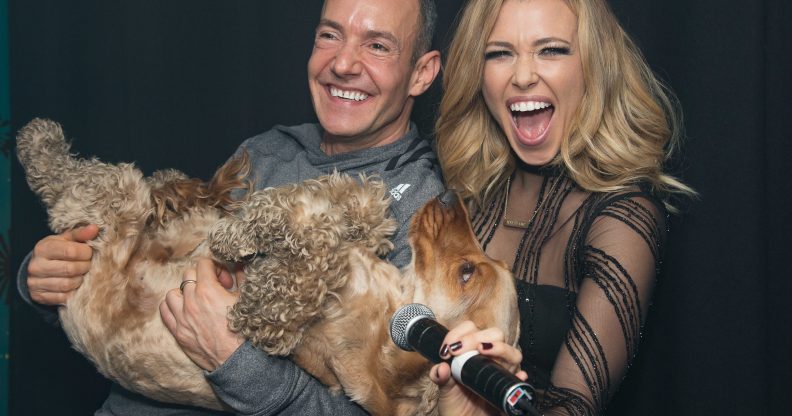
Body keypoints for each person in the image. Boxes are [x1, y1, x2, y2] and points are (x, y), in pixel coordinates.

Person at [18, 0, 444, 414]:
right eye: (330, 36)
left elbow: (394, 404)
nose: (344, 63)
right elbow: (154, 278)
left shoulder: (428, 216)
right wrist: (56, 276)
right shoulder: (267, 150)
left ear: (421, 73)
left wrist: (234, 361)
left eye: (377, 45)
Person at [428, 0, 696, 414]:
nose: (522, 76)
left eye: (551, 50)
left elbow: (572, 405)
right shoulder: (465, 195)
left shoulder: (621, 218)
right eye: (500, 53)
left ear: (595, 65)